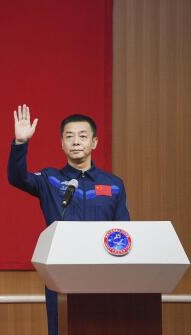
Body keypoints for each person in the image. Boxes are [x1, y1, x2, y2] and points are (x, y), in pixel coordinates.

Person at [8, 105, 130, 335]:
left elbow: (124, 232)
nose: (76, 142)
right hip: (60, 273)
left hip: (104, 275)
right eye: (69, 137)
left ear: (94, 142)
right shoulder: (50, 179)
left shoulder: (114, 184)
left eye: (83, 136)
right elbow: (17, 177)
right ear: (61, 143)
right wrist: (20, 143)